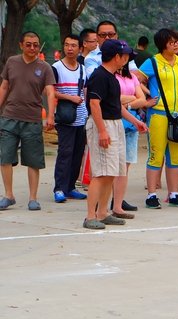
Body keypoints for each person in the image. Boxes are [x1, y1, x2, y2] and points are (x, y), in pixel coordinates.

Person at [83, 39, 148, 229]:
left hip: (115, 124)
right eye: (126, 56)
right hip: (103, 125)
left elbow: (116, 106)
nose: (128, 59)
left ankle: (103, 213)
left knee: (112, 171)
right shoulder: (99, 76)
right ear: (117, 57)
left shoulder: (112, 77)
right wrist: (102, 130)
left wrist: (136, 122)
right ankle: (90, 216)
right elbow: (94, 104)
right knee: (101, 172)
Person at [137, 28, 178, 209]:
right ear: (162, 44)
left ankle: (173, 194)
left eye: (177, 41)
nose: (176, 45)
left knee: (176, 156)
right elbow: (136, 79)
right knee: (156, 154)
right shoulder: (153, 62)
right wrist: (147, 98)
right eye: (172, 42)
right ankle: (152, 194)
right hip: (158, 114)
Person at [0, 31, 56, 211]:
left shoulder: (45, 67)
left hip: (32, 118)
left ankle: (33, 198)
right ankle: (8, 195)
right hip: (10, 116)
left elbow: (50, 92)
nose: (32, 47)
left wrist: (51, 116)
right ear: (21, 45)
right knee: (5, 156)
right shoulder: (11, 62)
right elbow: (4, 87)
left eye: (36, 44)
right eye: (29, 44)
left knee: (33, 159)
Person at [51, 34, 88, 204]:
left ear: (80, 48)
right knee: (65, 152)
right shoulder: (56, 68)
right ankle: (59, 188)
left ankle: (71, 187)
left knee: (77, 153)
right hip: (65, 118)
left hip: (81, 117)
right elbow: (50, 91)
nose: (70, 48)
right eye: (67, 45)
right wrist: (70, 97)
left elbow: (85, 91)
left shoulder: (82, 68)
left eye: (74, 45)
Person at [111, 59, 148, 218]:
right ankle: (106, 199)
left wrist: (127, 103)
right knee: (111, 165)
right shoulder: (110, 76)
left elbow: (142, 99)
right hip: (115, 123)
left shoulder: (132, 77)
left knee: (124, 165)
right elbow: (112, 99)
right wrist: (132, 97)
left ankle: (118, 201)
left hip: (131, 124)